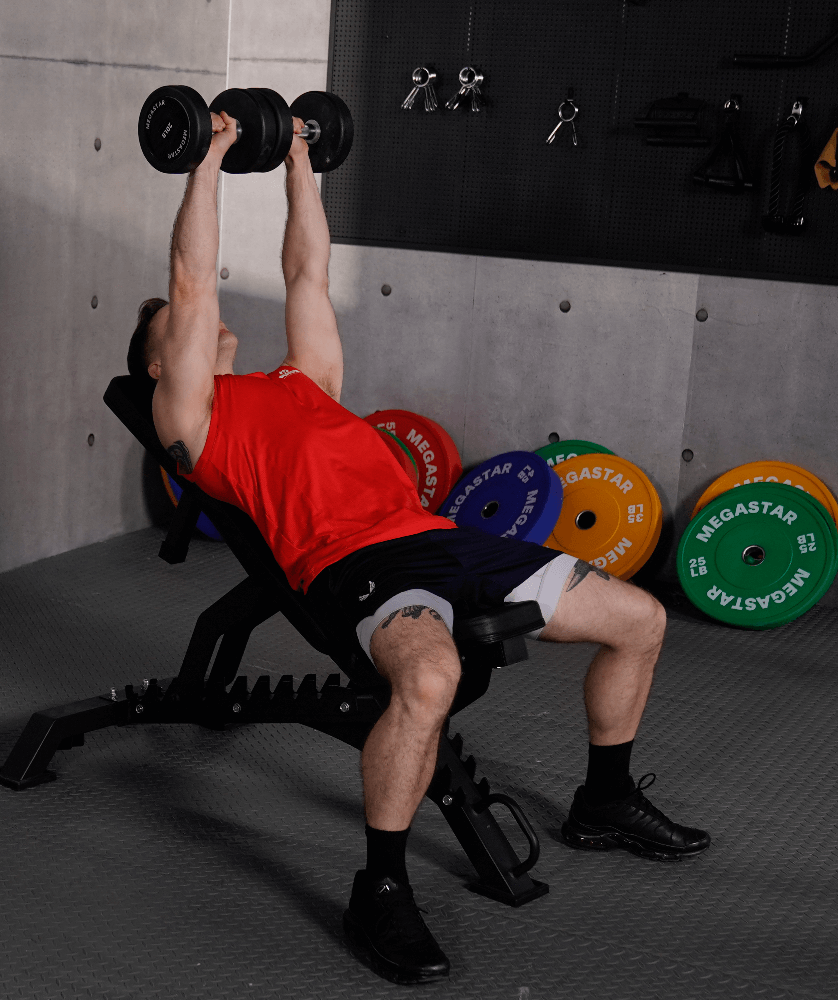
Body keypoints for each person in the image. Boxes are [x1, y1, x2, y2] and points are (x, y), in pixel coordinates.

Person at [127, 109, 710, 986]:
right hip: (352, 566)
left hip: (441, 537)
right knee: (429, 679)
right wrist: (207, 155)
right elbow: (191, 274)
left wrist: (296, 154)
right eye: (175, 326)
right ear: (157, 367)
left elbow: (306, 266)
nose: (196, 320)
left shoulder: (301, 379)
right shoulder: (192, 422)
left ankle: (605, 798)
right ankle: (383, 885)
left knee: (638, 616)